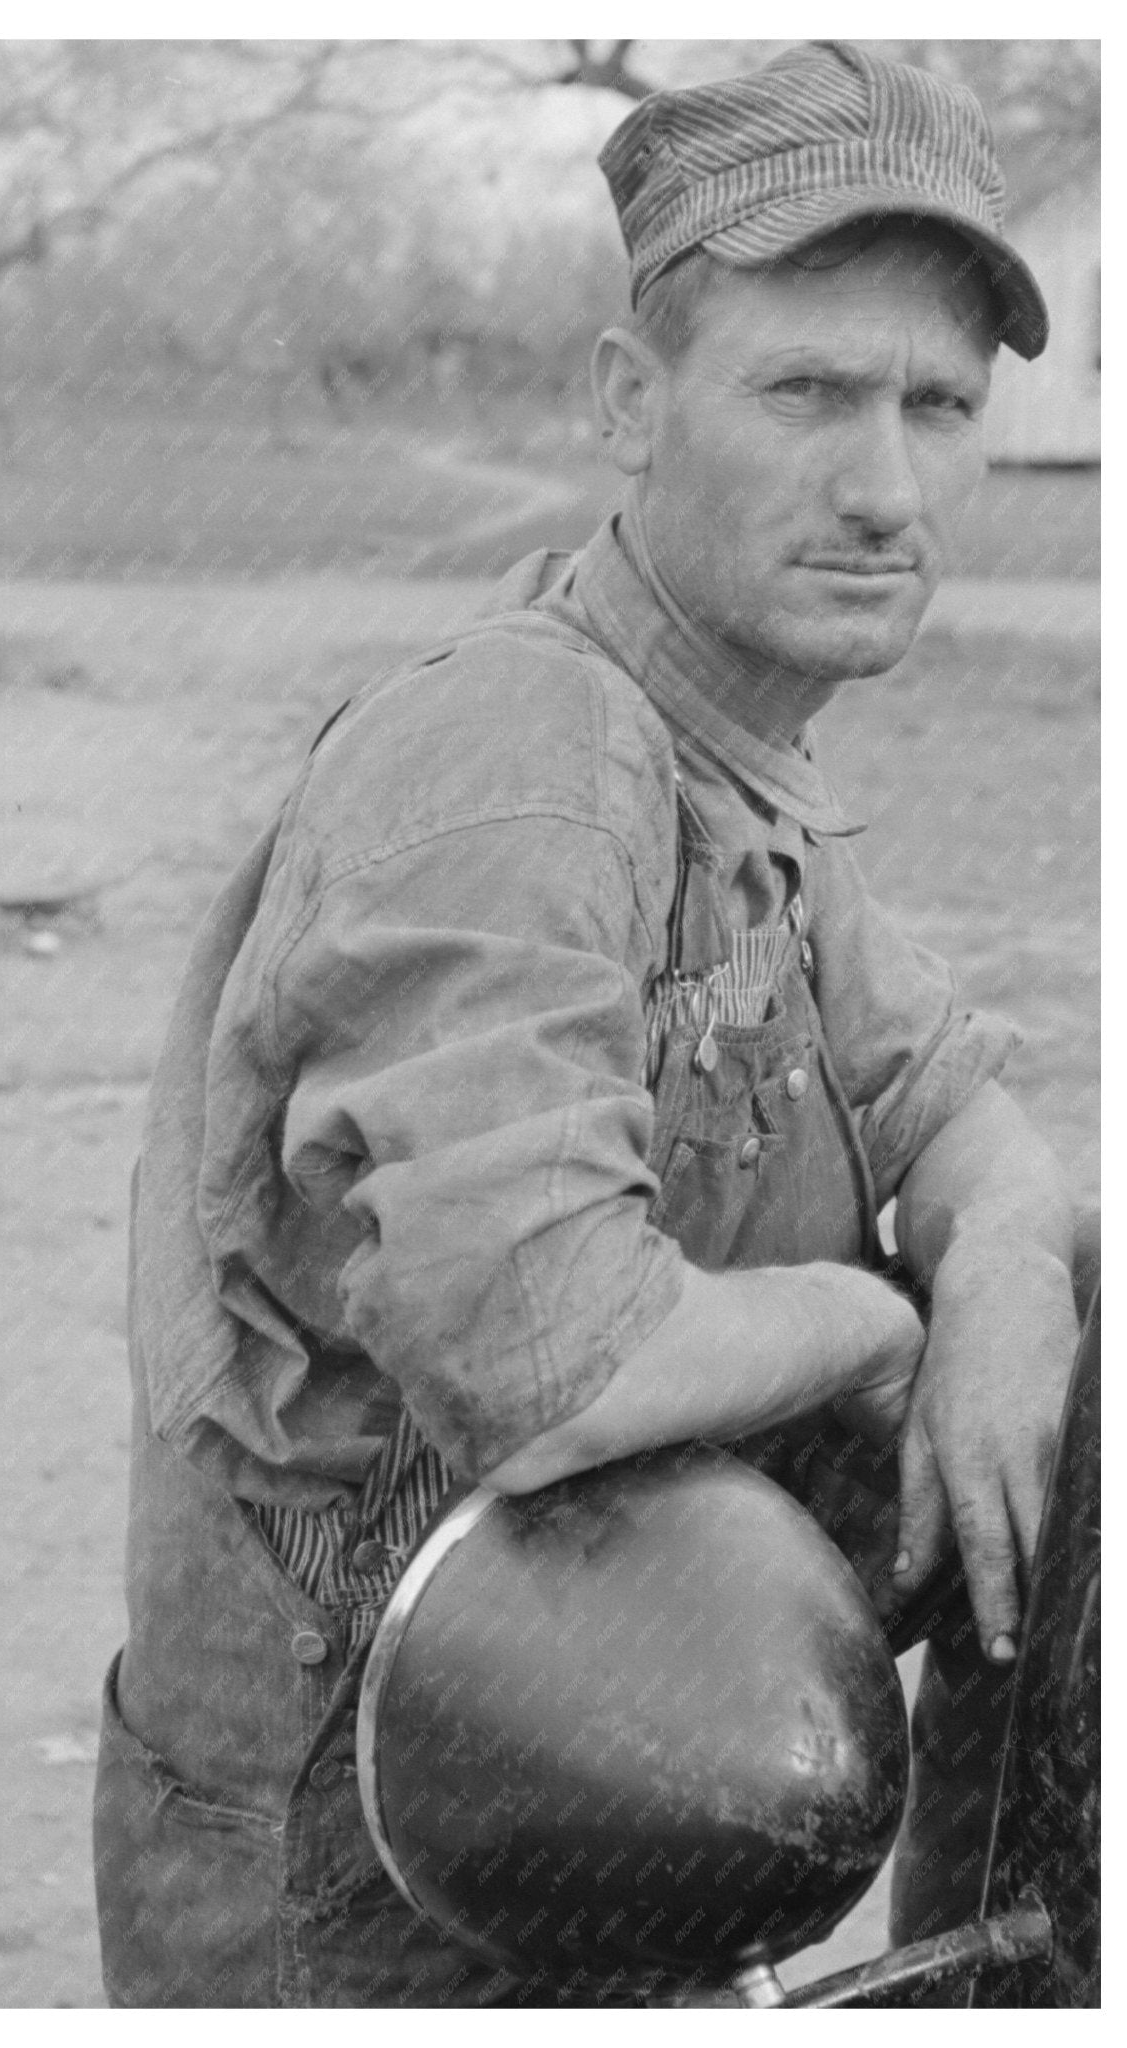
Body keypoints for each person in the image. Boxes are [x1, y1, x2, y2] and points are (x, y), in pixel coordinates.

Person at [93, 40, 1093, 2008]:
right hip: (366, 1846)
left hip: (616, 1716)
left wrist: (1013, 1279)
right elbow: (565, 1364)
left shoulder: (733, 751)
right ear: (630, 402)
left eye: (936, 406)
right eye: (804, 392)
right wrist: (886, 1317)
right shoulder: (527, 761)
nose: (885, 484)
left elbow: (954, 1099)